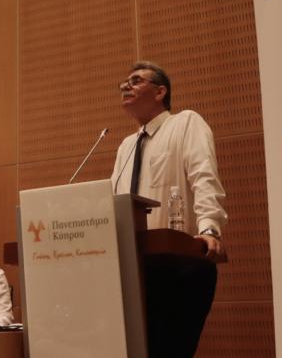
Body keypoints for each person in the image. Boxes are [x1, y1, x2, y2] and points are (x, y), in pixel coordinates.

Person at [111, 61, 228, 358]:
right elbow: (114, 202)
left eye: (136, 81)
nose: (126, 86)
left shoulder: (185, 123)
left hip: (179, 264)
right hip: (135, 269)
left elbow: (204, 177)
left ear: (160, 91)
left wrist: (209, 228)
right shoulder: (126, 146)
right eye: (124, 82)